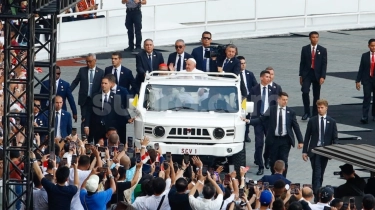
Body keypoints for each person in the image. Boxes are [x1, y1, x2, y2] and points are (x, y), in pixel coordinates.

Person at [247, 92, 303, 177]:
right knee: (273, 160)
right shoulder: (272, 109)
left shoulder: (291, 112)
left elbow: (296, 126)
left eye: (287, 100)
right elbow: (261, 119)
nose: (285, 102)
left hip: (285, 140)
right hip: (273, 140)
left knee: (284, 160)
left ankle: (283, 178)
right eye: (283, 100)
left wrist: (300, 141)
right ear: (278, 100)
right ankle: (274, 176)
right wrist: (249, 121)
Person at [302, 99, 338, 199]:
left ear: (326, 108)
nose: (320, 109)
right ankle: (317, 194)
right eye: (318, 107)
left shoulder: (331, 121)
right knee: (317, 172)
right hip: (314, 150)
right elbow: (307, 136)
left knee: (320, 173)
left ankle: (317, 190)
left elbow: (335, 137)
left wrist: (335, 150)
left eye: (322, 107)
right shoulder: (312, 120)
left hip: (325, 151)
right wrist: (304, 151)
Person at [84, 76, 132, 143]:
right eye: (102, 83)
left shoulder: (116, 97)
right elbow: (89, 111)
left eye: (105, 83)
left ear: (110, 84)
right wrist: (86, 125)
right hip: (97, 128)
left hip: (110, 128)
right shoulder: (95, 96)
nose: (103, 85)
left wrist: (128, 118)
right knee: (98, 146)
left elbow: (121, 109)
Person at [249, 70, 279, 175]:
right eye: (266, 76)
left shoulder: (273, 90)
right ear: (261, 78)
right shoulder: (254, 89)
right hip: (258, 120)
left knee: (270, 142)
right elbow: (249, 102)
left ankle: (267, 159)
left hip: (269, 120)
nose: (269, 78)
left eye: (269, 76)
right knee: (259, 143)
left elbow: (275, 105)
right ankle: (260, 166)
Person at [70, 53, 104, 137]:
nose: (88, 63)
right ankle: (84, 138)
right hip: (84, 100)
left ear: (95, 61)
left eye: (90, 61)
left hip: (95, 100)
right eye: (86, 61)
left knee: (94, 119)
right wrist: (68, 91)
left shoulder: (101, 72)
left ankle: (94, 136)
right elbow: (75, 82)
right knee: (84, 119)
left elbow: (102, 87)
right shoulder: (82, 70)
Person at [299, 31, 328, 120]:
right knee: (305, 91)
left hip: (317, 74)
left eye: (316, 37)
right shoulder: (305, 49)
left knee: (316, 95)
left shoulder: (322, 50)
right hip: (307, 73)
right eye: (313, 37)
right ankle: (306, 112)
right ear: (310, 38)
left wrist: (322, 76)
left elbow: (324, 64)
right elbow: (302, 62)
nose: (315, 39)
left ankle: (315, 113)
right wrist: (301, 75)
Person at [238, 56, 258, 143]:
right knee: (240, 116)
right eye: (241, 63)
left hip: (248, 99)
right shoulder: (235, 74)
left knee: (247, 117)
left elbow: (255, 85)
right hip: (239, 98)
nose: (243, 65)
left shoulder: (249, 74)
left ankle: (246, 134)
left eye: (244, 63)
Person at [355, 38, 375, 124]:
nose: (374, 47)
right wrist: (357, 81)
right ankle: (365, 116)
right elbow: (361, 68)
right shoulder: (364, 56)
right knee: (366, 97)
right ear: (368, 46)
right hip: (367, 80)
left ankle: (374, 115)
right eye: (372, 46)